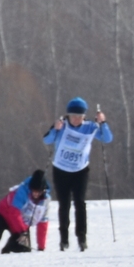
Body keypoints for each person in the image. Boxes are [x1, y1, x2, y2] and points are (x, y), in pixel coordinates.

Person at [41, 98, 113, 252]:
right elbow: (47, 140)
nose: (76, 119)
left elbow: (107, 138)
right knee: (64, 204)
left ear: (84, 116)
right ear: (68, 115)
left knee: (80, 203)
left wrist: (103, 123)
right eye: (73, 116)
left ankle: (82, 237)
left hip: (80, 171)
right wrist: (55, 129)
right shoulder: (62, 125)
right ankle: (64, 240)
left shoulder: (90, 127)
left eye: (79, 117)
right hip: (60, 170)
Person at [0, 170, 50, 254]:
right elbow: (14, 212)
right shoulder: (22, 191)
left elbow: (43, 224)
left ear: (43, 190)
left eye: (38, 191)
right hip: (1, 214)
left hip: (18, 221)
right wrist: (22, 232)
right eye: (33, 190)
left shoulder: (45, 201)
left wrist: (41, 248)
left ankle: (7, 252)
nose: (35, 194)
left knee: (24, 248)